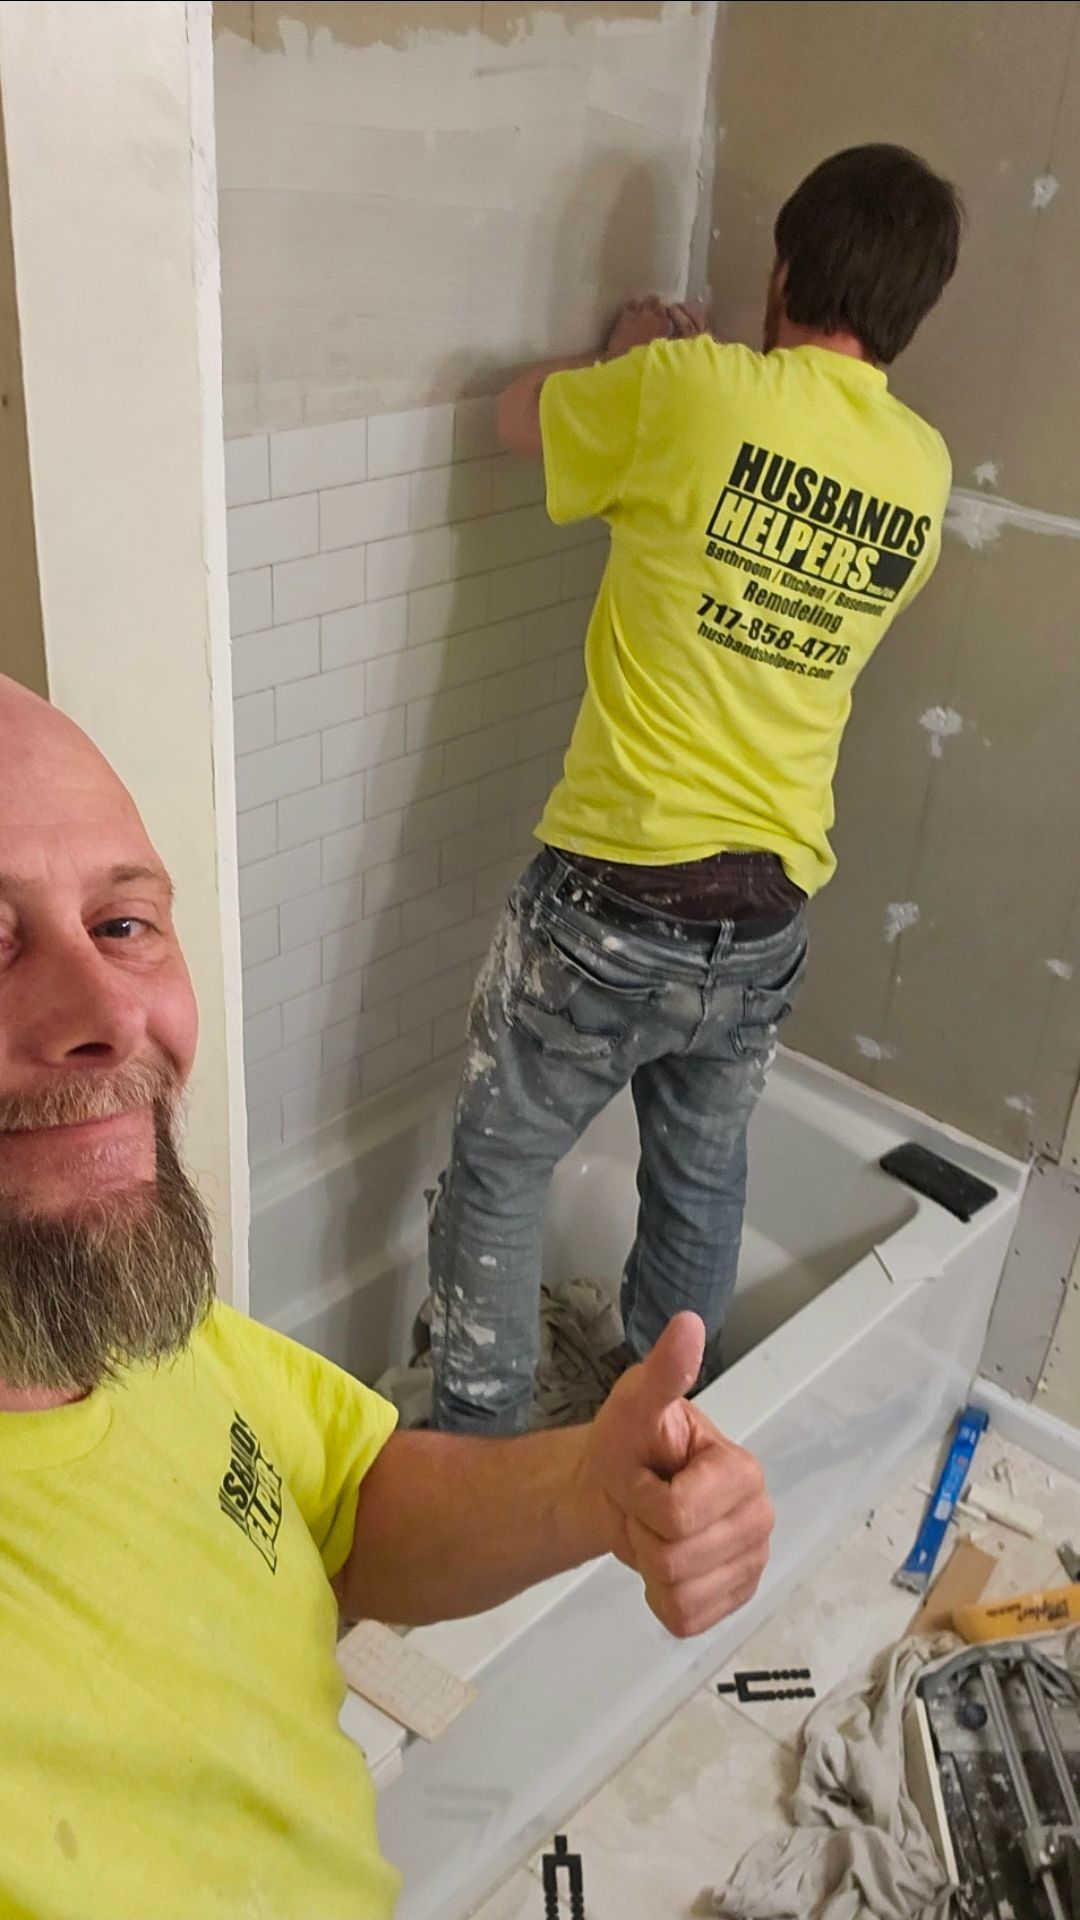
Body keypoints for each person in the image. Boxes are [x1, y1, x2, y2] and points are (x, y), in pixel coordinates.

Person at [0, 671, 772, 1918]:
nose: (107, 1014)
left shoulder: (119, 1313)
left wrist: (587, 1490)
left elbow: (344, 1501)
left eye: (123, 924)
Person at [429, 143, 963, 1435]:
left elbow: (511, 420)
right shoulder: (922, 473)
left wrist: (620, 356)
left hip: (613, 905)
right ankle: (660, 1434)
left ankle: (481, 1459)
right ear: (911, 310)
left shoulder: (688, 391)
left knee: (500, 1166)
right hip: (767, 922)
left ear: (783, 271)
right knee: (699, 1181)